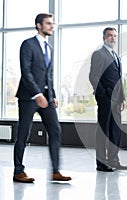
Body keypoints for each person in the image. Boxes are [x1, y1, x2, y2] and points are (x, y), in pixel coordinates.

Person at [13, 13, 71, 183]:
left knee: (55, 131)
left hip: (46, 98)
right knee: (23, 133)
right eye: (48, 24)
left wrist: (51, 95)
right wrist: (37, 94)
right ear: (39, 25)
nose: (52, 26)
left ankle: (55, 171)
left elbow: (49, 75)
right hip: (29, 97)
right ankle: (18, 171)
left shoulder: (49, 48)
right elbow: (26, 72)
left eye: (52, 24)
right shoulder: (28, 44)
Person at [89, 27, 127, 172]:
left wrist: (122, 97)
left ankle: (114, 160)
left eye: (115, 36)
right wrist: (103, 95)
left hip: (117, 100)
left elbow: (119, 79)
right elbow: (93, 76)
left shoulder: (116, 56)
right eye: (110, 35)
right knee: (104, 131)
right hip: (106, 100)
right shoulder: (99, 54)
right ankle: (101, 163)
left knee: (115, 131)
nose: (113, 38)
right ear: (104, 38)